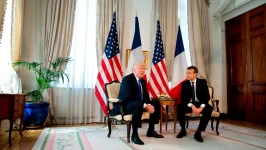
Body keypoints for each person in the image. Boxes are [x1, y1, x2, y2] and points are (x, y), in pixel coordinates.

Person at [112, 62, 163, 145]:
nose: (142, 70)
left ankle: (151, 130)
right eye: (140, 68)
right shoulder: (127, 79)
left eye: (144, 68)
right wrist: (145, 105)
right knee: (139, 104)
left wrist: (148, 104)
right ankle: (134, 135)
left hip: (138, 104)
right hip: (125, 105)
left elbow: (145, 97)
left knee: (156, 103)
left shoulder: (143, 81)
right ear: (133, 70)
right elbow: (129, 96)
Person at [176, 66, 212, 142]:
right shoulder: (184, 84)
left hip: (200, 103)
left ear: (195, 74)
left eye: (189, 73)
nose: (187, 75)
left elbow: (207, 97)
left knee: (209, 108)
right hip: (189, 104)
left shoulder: (202, 82)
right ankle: (183, 130)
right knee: (180, 106)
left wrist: (201, 108)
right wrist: (192, 106)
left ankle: (198, 132)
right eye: (186, 73)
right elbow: (183, 99)